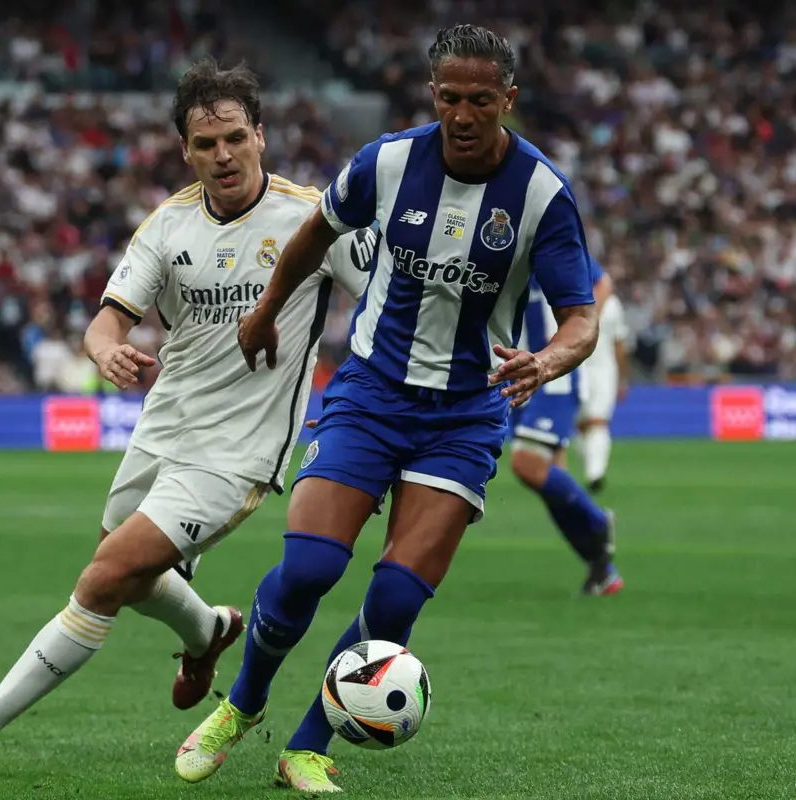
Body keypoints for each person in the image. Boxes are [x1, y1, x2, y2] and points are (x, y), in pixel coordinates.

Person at [175, 24, 602, 794]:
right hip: (371, 392)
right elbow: (315, 234)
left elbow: (582, 316)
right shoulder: (389, 162)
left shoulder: (542, 195)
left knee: (398, 595)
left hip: (466, 413)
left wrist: (550, 358)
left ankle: (304, 747)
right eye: (449, 98)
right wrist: (268, 309)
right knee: (307, 568)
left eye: (480, 100)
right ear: (430, 95)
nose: (463, 115)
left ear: (508, 99)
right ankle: (240, 704)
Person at [0, 58, 374, 774]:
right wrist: (106, 354)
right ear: (184, 150)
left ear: (260, 135)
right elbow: (107, 323)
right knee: (130, 580)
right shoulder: (167, 227)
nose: (221, 155)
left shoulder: (313, 219)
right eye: (204, 144)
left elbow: (388, 302)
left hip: (238, 452)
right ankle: (209, 632)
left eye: (233, 138)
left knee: (103, 577)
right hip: (164, 428)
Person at [509, 266, 623, 596]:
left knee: (526, 463)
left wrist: (580, 332)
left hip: (552, 375)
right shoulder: (499, 238)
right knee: (552, 480)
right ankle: (601, 568)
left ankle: (598, 525)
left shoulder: (548, 235)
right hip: (521, 371)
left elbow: (602, 282)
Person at [576, 288, 629, 494]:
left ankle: (593, 472)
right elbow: (619, 345)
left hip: (580, 368)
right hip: (602, 369)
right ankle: (594, 470)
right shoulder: (613, 303)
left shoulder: (572, 298)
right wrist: (623, 378)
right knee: (594, 423)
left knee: (589, 423)